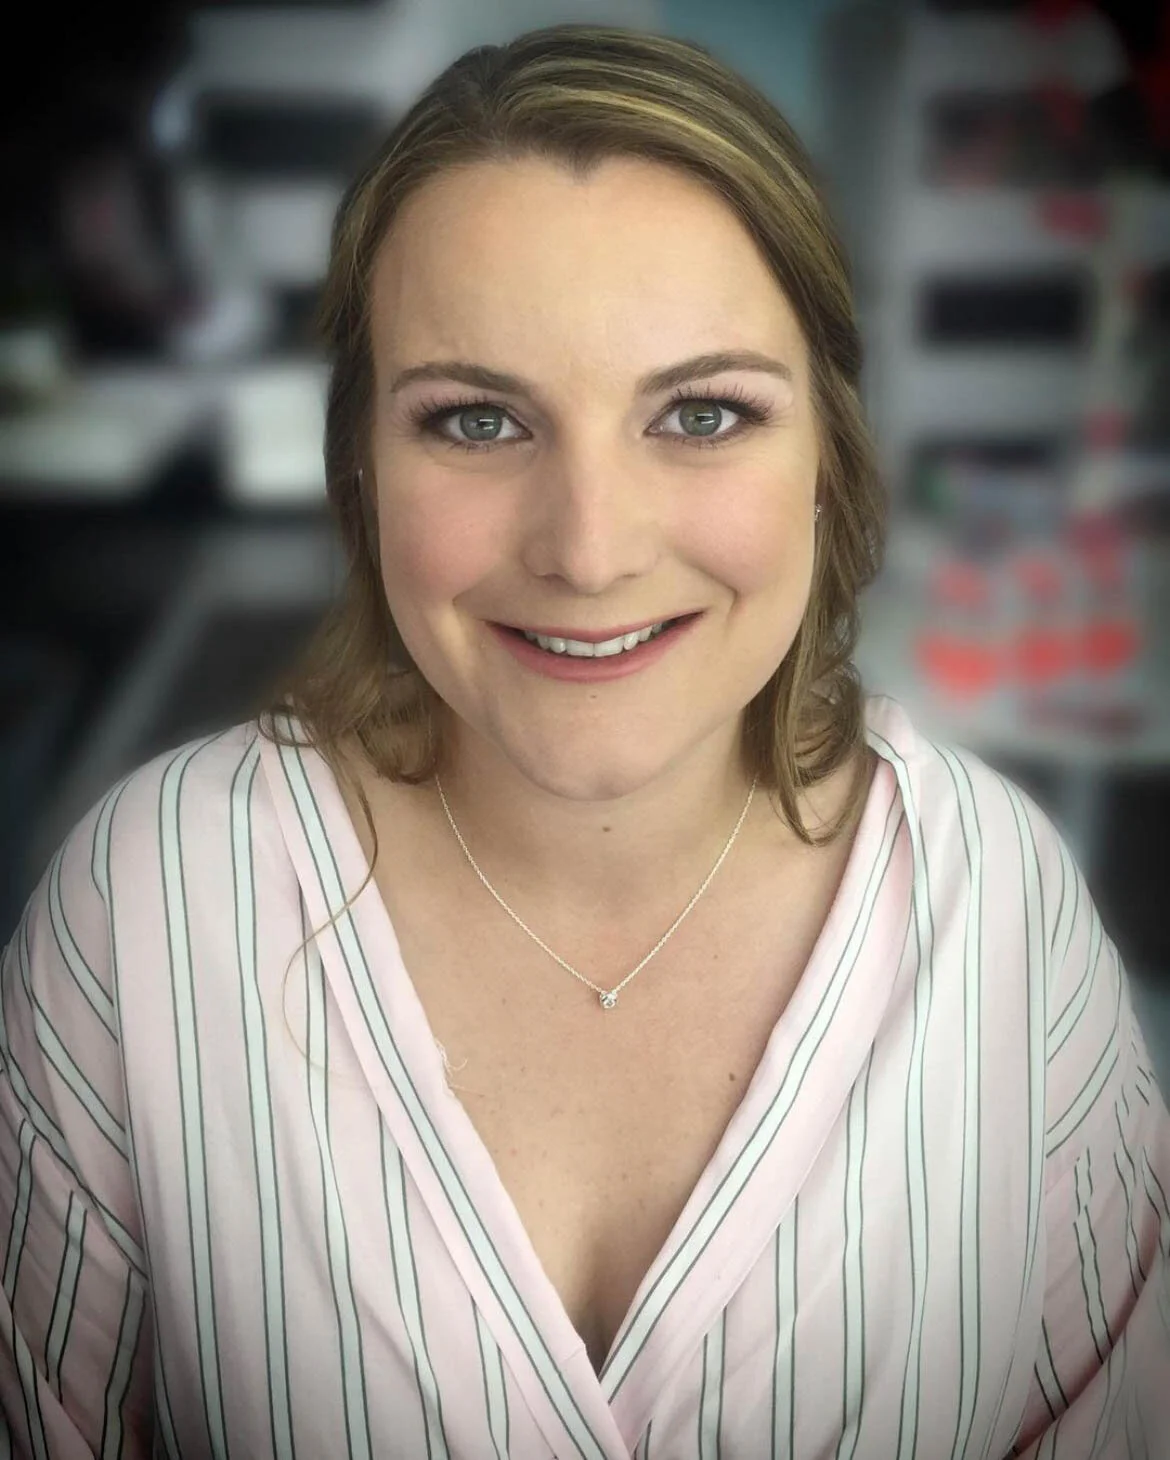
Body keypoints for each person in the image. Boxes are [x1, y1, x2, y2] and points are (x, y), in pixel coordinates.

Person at [2, 22, 1168, 1460]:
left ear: (827, 452)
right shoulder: (146, 907)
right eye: (478, 421)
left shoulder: (999, 902)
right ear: (361, 465)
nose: (590, 548)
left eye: (702, 412)